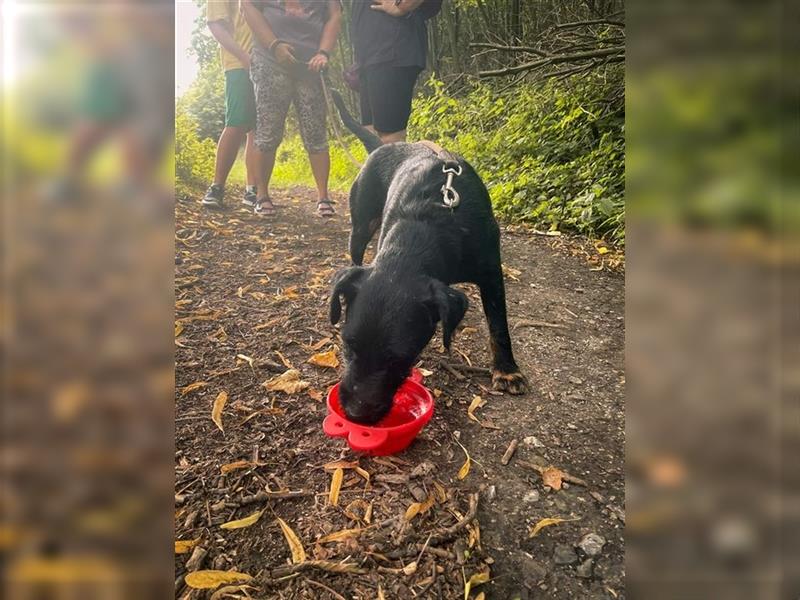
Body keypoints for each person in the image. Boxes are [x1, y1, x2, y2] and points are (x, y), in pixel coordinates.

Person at [242, 0, 342, 218]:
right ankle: (262, 195)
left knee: (316, 132)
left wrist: (324, 52)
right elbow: (248, 6)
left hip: (312, 66)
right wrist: (274, 45)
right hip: (270, 61)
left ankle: (323, 196)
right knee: (268, 131)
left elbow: (334, 14)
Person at [351, 0, 437, 145]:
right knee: (370, 133)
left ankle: (400, 166)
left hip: (392, 48)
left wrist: (403, 5)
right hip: (371, 52)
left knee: (389, 137)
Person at [202, 0, 260, 209]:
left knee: (258, 128)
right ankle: (217, 187)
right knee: (236, 123)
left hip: (268, 63)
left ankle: (252, 190)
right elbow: (215, 25)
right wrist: (244, 57)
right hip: (238, 64)